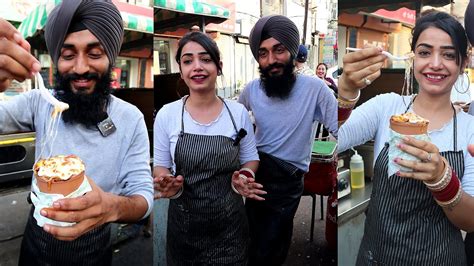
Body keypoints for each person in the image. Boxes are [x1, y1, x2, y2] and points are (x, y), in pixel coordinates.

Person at [0, 1, 154, 265]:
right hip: (36, 239)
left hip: (95, 247)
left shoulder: (130, 118)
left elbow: (143, 195)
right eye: (68, 55)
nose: (81, 68)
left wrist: (111, 207)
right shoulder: (41, 102)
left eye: (94, 54)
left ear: (111, 59)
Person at [338, 10, 474, 265]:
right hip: (376, 257)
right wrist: (345, 93)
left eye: (448, 54)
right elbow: (335, 141)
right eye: (424, 52)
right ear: (413, 58)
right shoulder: (386, 107)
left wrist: (442, 180)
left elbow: (471, 220)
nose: (435, 63)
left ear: (463, 63)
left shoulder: (470, 129)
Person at [153, 31, 265, 265]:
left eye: (205, 59)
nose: (197, 67)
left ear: (219, 66)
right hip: (183, 230)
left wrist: (245, 175)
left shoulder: (238, 114)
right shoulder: (167, 114)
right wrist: (166, 182)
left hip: (230, 229)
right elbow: (161, 165)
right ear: (181, 71)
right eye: (188, 61)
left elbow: (250, 158)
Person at [239, 15, 338, 265]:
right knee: (251, 245)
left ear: (293, 51)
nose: (271, 60)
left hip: (288, 180)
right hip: (256, 174)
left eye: (279, 50)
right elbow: (234, 129)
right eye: (263, 53)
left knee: (272, 249)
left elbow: (341, 130)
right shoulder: (251, 90)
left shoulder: (316, 89)